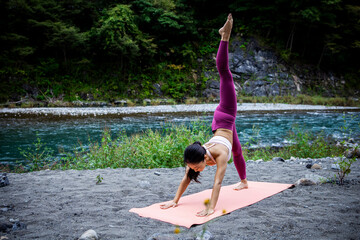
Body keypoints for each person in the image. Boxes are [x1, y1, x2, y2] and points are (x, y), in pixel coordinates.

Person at [160, 13, 248, 217]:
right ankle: (244, 181)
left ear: (202, 158)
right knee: (237, 151)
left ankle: (224, 36)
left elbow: (218, 182)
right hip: (221, 126)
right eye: (192, 167)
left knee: (225, 72)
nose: (195, 170)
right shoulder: (197, 158)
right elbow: (186, 178)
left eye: (196, 167)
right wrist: (175, 201)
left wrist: (211, 207)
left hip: (225, 115)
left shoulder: (218, 155)